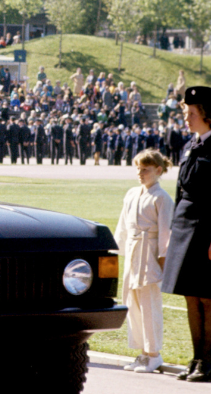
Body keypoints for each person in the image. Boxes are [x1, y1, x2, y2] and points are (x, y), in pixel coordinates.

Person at [164, 86, 211, 382]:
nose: (187, 118)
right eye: (185, 112)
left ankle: (209, 362)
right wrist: (172, 230)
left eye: (192, 113)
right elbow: (180, 190)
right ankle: (196, 360)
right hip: (184, 225)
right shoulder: (190, 145)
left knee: (208, 298)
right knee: (190, 298)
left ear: (207, 115)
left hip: (206, 227)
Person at [115, 149, 173, 374]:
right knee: (133, 303)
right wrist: (119, 250)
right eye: (138, 169)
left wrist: (162, 261)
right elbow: (123, 225)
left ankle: (154, 354)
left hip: (149, 254)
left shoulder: (162, 198)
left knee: (150, 304)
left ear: (158, 171)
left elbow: (166, 232)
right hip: (132, 252)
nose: (140, 173)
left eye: (146, 169)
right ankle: (142, 352)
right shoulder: (131, 194)